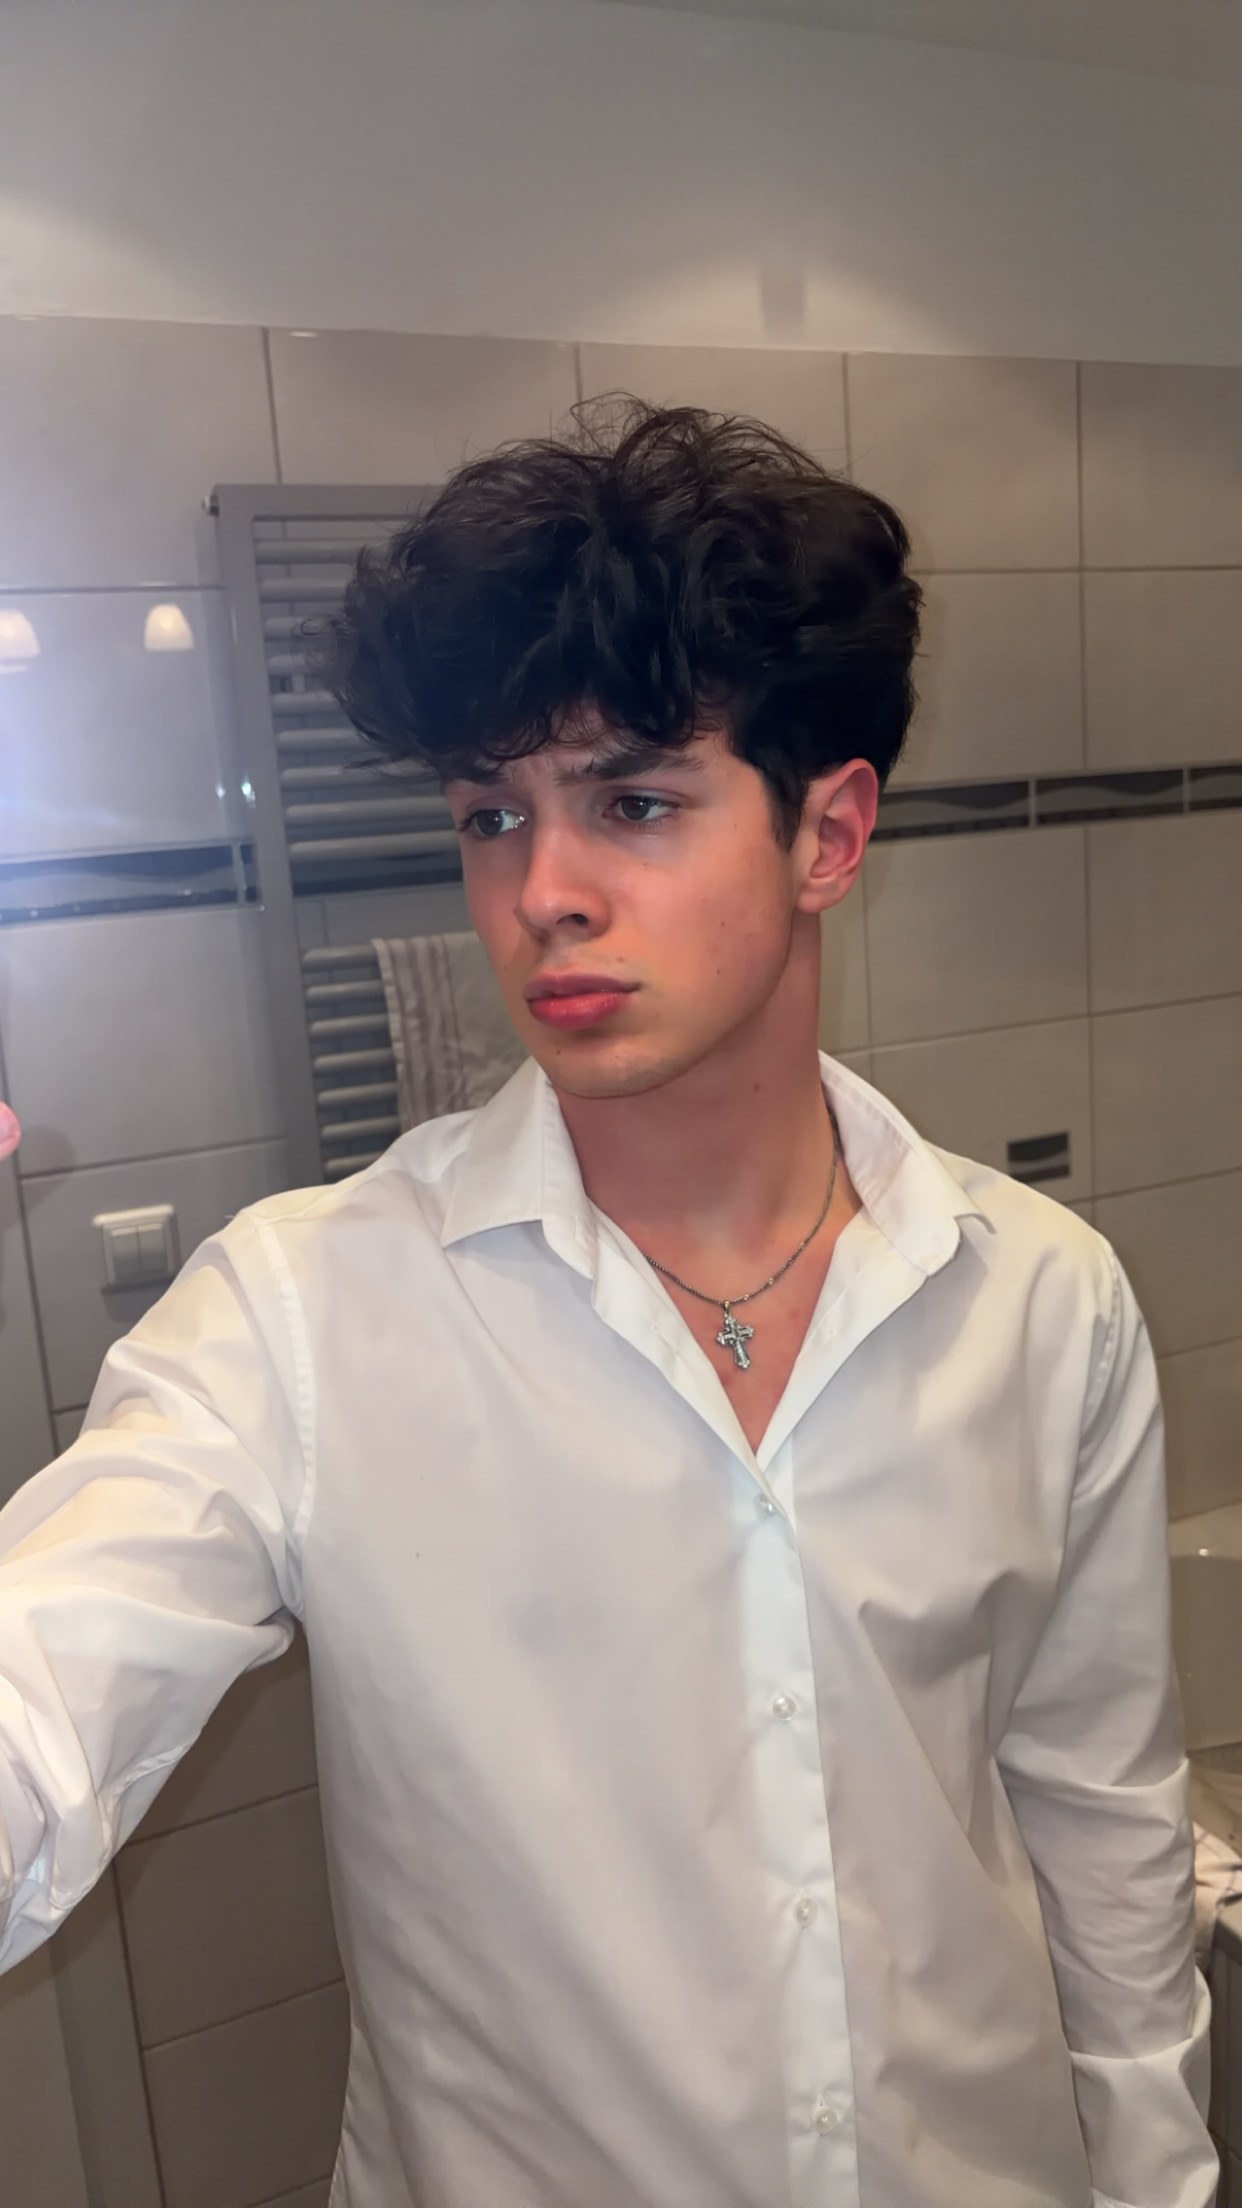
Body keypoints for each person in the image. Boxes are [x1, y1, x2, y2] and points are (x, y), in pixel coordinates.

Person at [0, 405, 1213, 2208]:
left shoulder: (1040, 1298)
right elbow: (35, 1710)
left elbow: (1100, 1817)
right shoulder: (301, 1319)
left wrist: (1156, 2178)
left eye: (633, 802)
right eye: (492, 815)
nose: (541, 893)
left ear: (829, 831)